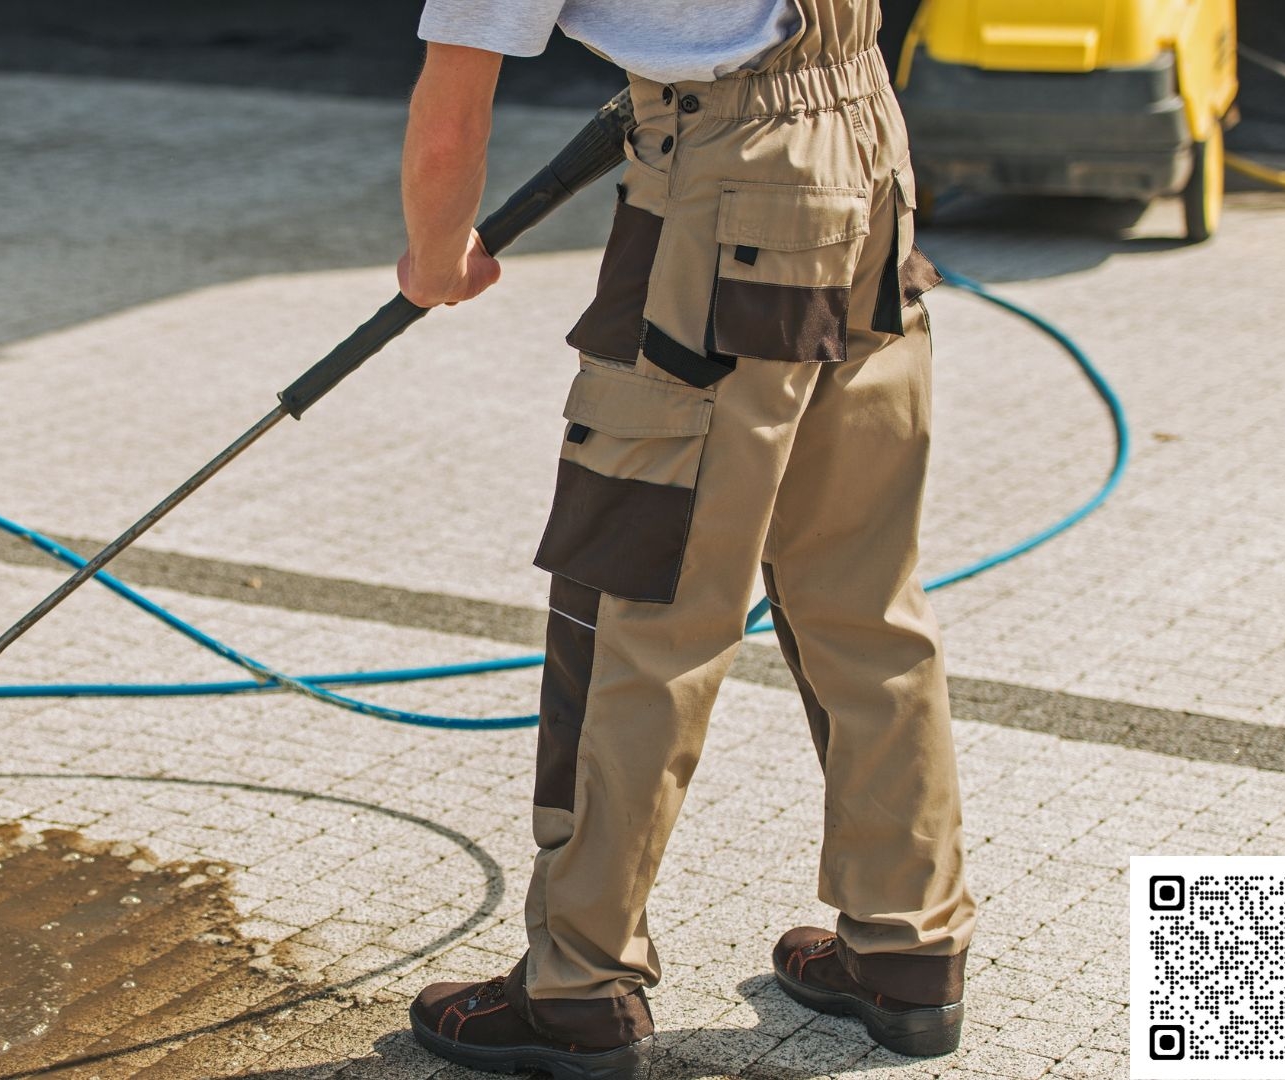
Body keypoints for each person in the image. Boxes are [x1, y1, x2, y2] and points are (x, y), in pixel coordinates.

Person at [395, 2, 980, 1076]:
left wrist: (438, 257)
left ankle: (578, 984)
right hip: (865, 138)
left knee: (643, 604)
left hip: (721, 189)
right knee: (863, 593)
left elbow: (451, 111)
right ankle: (910, 947)